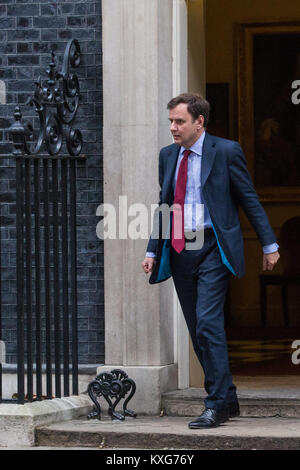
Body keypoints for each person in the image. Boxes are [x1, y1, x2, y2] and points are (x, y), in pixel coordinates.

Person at [141, 93, 280, 429]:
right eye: (171, 121)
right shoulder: (167, 155)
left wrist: (269, 244)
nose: (173, 127)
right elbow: (164, 205)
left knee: (208, 323)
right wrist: (151, 250)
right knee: (196, 330)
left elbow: (248, 198)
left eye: (179, 121)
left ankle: (215, 404)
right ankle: (227, 396)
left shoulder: (226, 151)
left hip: (213, 248)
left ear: (199, 122)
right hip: (178, 250)